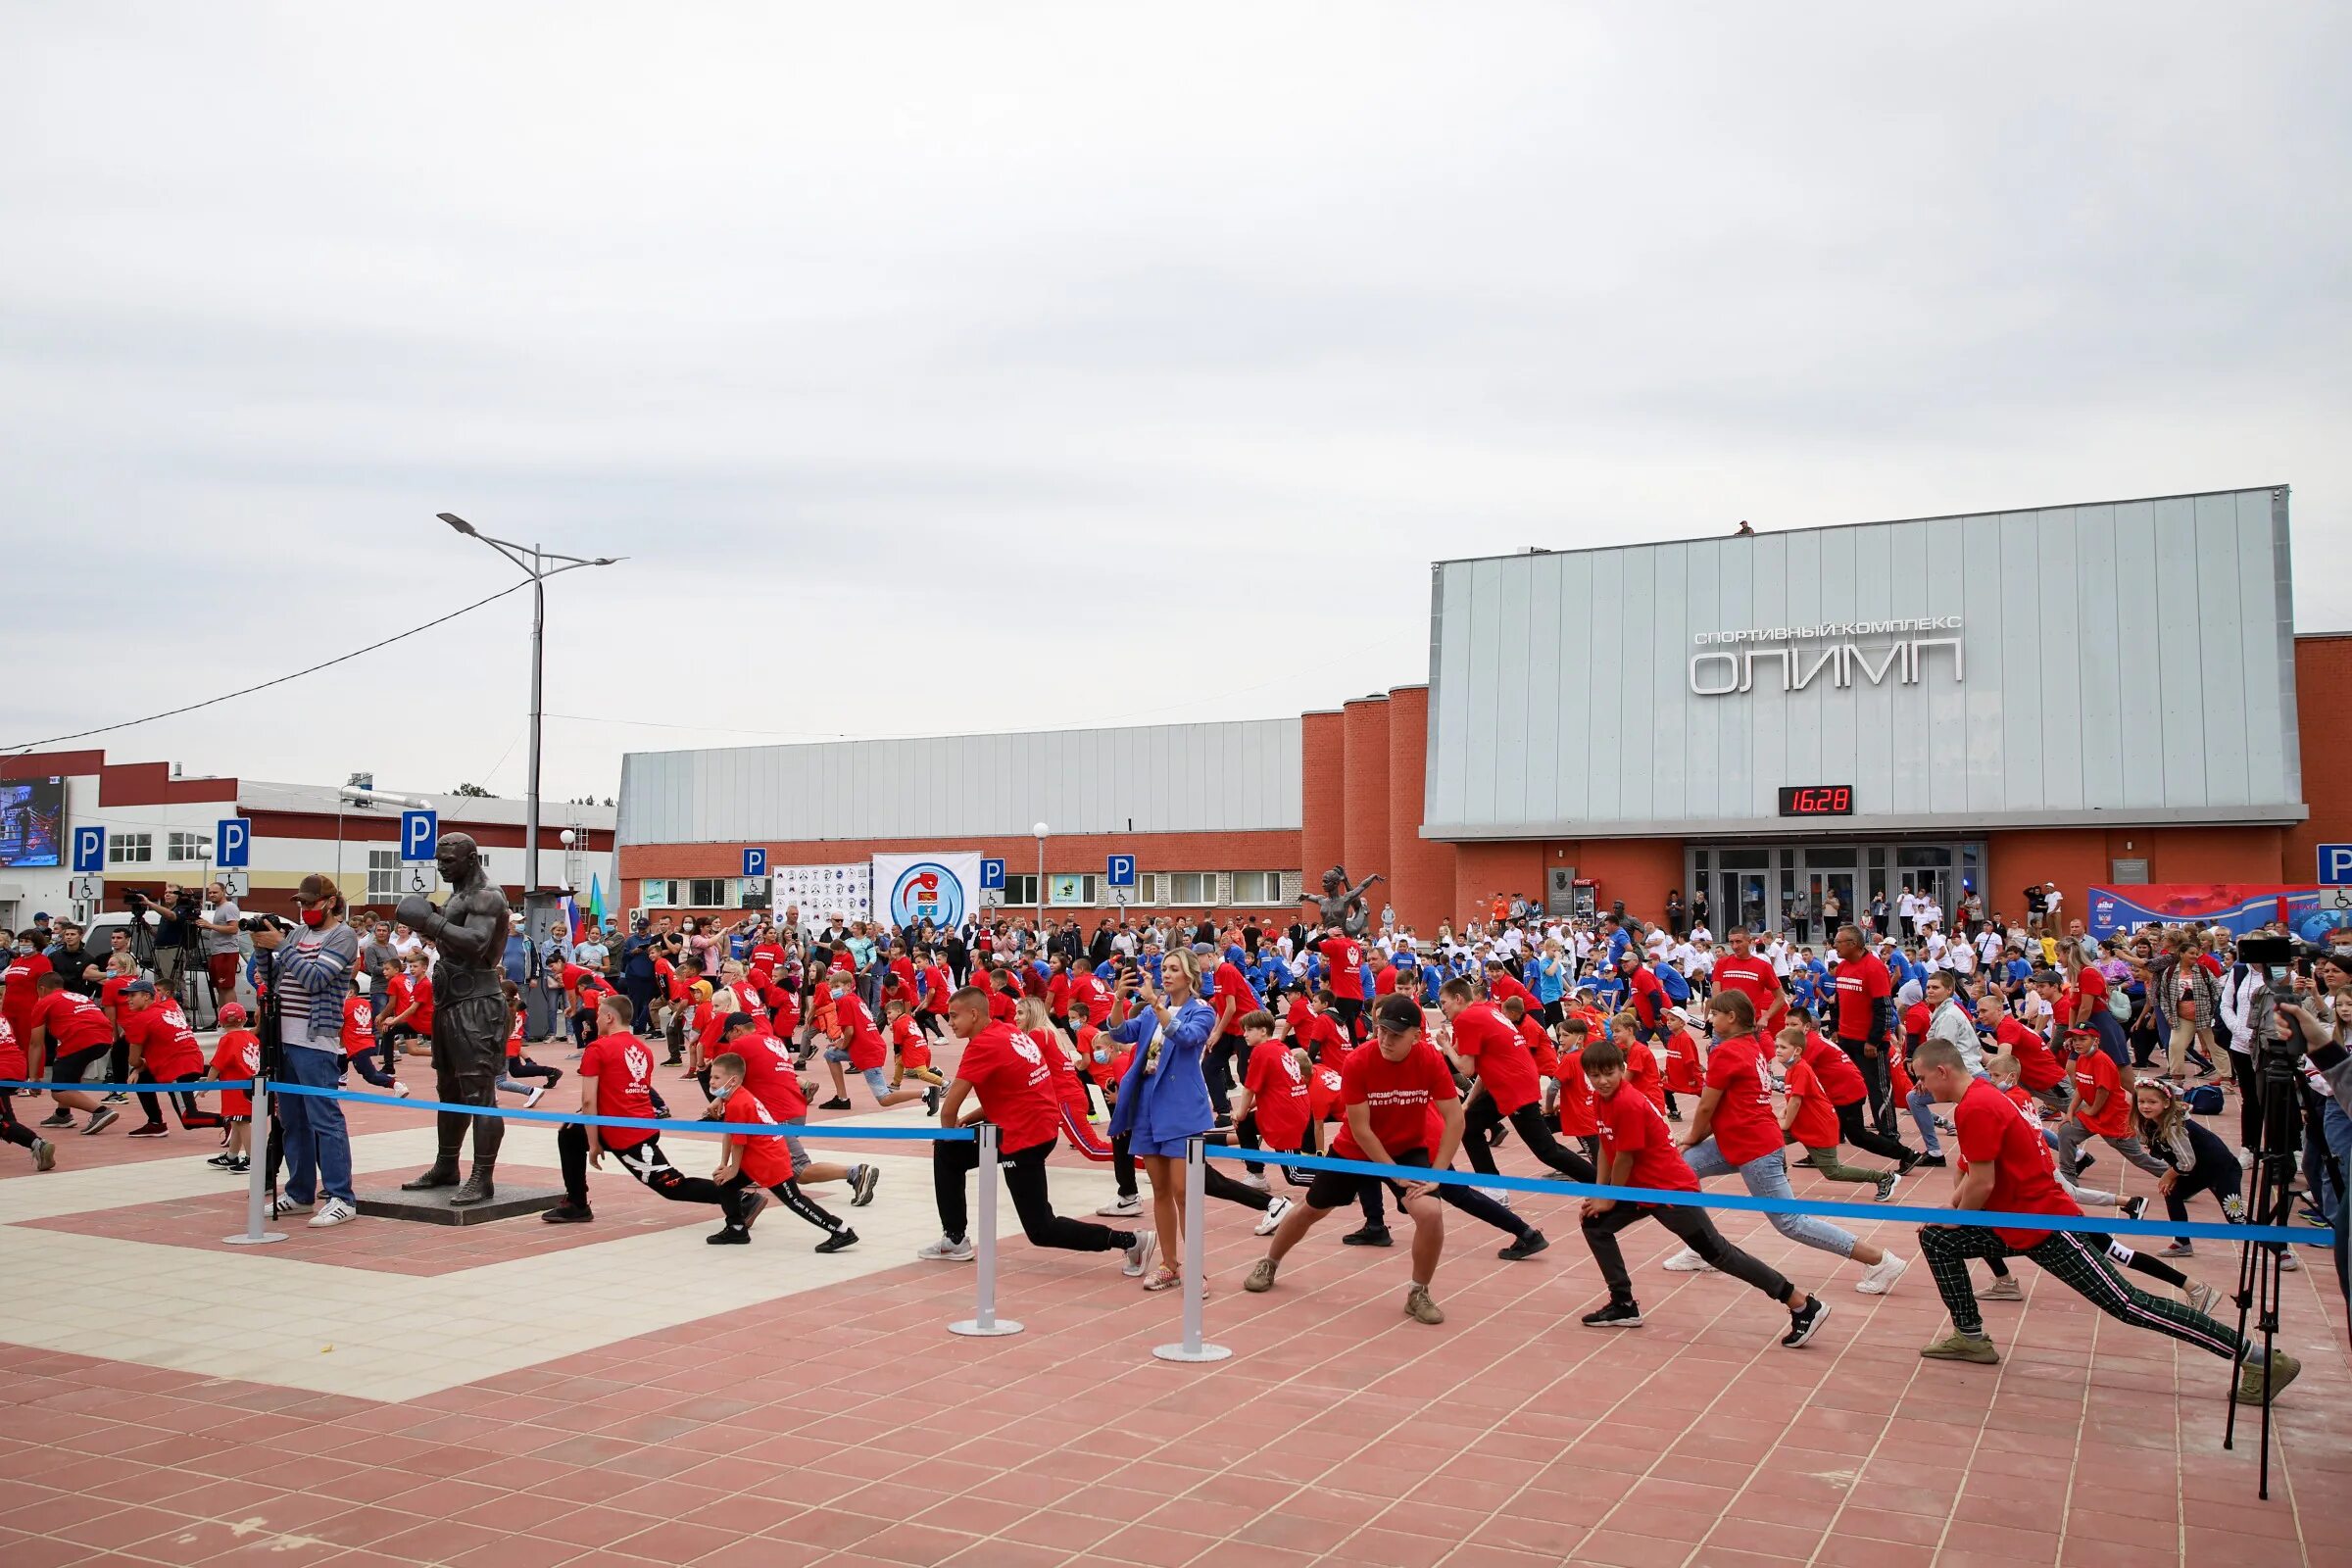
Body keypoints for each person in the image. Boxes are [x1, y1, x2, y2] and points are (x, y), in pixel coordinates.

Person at [1907, 1036, 2300, 1402]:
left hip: (2048, 1226)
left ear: (1942, 1071)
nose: (1921, 1087)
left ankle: (2259, 1358)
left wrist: (1958, 1216)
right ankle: (1970, 1337)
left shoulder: (1977, 1105)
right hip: (2017, 1223)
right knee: (1939, 1240)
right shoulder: (1981, 1098)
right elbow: (1975, 1174)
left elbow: (1981, 1180)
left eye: (1922, 1078)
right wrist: (1951, 1213)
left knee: (2129, 1304)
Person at [1574, 1035, 1833, 1347]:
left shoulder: (1628, 1102)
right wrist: (1601, 1193)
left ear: (1622, 1068)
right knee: (1595, 1224)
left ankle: (1802, 1304)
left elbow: (1625, 1157)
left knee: (1718, 1254)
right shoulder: (1602, 1100)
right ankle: (1623, 1305)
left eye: (1609, 1073)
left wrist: (1610, 1197)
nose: (1602, 1081)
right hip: (1642, 1188)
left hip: (1671, 1192)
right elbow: (1606, 1146)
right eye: (1595, 1075)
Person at [1662, 990, 1909, 1294]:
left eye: (1714, 1014)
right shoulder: (1747, 1046)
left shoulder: (1727, 1051)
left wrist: (1690, 1137)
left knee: (1790, 1221)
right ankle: (1703, 1248)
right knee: (1683, 1170)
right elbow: (1718, 1108)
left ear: (1731, 1017)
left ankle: (1879, 1259)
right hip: (1741, 1140)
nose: (1709, 1018)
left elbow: (1706, 1107)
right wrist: (1693, 1141)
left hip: (1755, 1147)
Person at [1243, 994, 1467, 1325]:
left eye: (1395, 1035)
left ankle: (1419, 1292)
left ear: (1416, 1036)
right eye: (1381, 1031)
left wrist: (1437, 1174)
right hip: (1354, 1149)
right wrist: (1393, 1174)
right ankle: (1270, 1261)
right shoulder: (1359, 1061)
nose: (1386, 1040)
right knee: (1311, 1209)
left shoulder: (1430, 1060)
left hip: (1408, 1148)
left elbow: (1455, 1120)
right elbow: (1361, 1130)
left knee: (1431, 1214)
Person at [917, 986, 1153, 1277]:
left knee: (1041, 1228)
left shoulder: (981, 1046)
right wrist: (967, 1123)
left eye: (954, 1016)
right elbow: (1011, 1091)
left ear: (974, 1014)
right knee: (948, 1152)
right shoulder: (1007, 1032)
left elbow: (948, 1110)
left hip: (1022, 1136)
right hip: (1036, 1125)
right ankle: (954, 1238)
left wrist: (952, 1130)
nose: (949, 1021)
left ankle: (1130, 1241)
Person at [544, 995, 747, 1227]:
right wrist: (582, 1119)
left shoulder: (597, 1048)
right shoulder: (643, 1048)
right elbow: (625, 1090)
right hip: (638, 1122)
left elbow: (589, 1100)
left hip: (627, 1133)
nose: (595, 1019)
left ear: (609, 1017)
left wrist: (594, 1144)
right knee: (570, 1134)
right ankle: (576, 1203)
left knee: (671, 1185)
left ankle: (740, 1198)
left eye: (599, 1015)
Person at [1101, 949, 1216, 1293]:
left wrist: (1156, 1004)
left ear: (1190, 976)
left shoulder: (1202, 1011)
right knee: (1161, 1190)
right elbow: (1121, 1033)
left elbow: (1187, 1037)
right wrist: (1119, 999)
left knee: (1184, 1191)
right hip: (1148, 1107)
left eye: (1174, 969)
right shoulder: (1152, 1013)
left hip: (1180, 1109)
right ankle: (1170, 1264)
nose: (1166, 974)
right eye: (1164, 968)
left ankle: (1195, 1267)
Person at [254, 876, 363, 1228]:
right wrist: (261, 947)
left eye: (311, 904)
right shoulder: (298, 934)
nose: (305, 910)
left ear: (330, 902)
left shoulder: (343, 936)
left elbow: (316, 979)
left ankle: (341, 1197)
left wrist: (282, 945)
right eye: (301, 904)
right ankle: (300, 1193)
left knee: (325, 1120)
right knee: (291, 1122)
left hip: (316, 1042)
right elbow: (271, 980)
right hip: (284, 1039)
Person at [1442, 979, 1594, 1184]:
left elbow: (1466, 1068)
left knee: (1547, 1150)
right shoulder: (1486, 1009)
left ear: (1458, 998)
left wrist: (1445, 1046)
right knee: (1469, 1126)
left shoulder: (1467, 1018)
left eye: (1443, 1002)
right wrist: (1468, 1103)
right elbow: (1483, 1067)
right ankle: (1493, 1188)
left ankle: (1603, 1185)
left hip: (1514, 1087)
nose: (1442, 1008)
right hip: (1514, 1081)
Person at [704, 1052, 858, 1251]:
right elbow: (729, 1133)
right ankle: (736, 1228)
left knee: (795, 1201)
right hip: (756, 1160)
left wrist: (733, 1169)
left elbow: (738, 1143)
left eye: (717, 1077)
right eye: (711, 1077)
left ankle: (841, 1230)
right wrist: (725, 1165)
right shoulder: (732, 1098)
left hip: (770, 1161)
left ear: (732, 1080)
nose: (712, 1082)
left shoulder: (740, 1103)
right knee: (726, 1186)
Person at [1777, 1026, 1900, 1200]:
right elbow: (1793, 1099)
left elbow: (1796, 1101)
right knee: (1772, 1141)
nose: (1777, 1051)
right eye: (1777, 1047)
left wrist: (1785, 1123)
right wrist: (1782, 1114)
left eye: (1782, 1047)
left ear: (1797, 1051)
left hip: (1819, 1126)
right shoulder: (1793, 1069)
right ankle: (1779, 1183)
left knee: (1833, 1171)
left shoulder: (1801, 1069)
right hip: (1805, 1122)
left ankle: (1884, 1178)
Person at [118, 979, 223, 1138]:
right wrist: (141, 1068)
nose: (128, 999)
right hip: (194, 1059)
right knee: (143, 1078)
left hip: (177, 1068)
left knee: (189, 1119)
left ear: (147, 996)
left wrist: (139, 1066)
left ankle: (230, 1120)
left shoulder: (140, 1019)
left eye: (132, 995)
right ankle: (155, 1124)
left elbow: (133, 1060)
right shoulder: (171, 1007)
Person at [24, 974, 120, 1136]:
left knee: (59, 1090)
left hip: (81, 1040)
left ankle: (101, 1111)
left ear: (42, 989)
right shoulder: (77, 996)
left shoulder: (44, 1002)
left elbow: (36, 1043)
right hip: (104, 1039)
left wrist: (33, 1078)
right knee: (66, 1071)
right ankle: (62, 1115)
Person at [0, 1015, 58, 1170]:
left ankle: (38, 1144)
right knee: (6, 1119)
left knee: (2, 1122)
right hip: (16, 1065)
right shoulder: (2, 1016)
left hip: (3, 1068)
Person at [195, 884, 246, 1010]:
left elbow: (234, 929)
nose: (212, 895)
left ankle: (232, 1017)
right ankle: (223, 1018)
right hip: (218, 952)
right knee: (220, 987)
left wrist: (210, 926)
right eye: (210, 892)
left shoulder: (229, 907)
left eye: (215, 892)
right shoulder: (220, 908)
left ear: (223, 892)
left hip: (226, 952)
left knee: (227, 987)